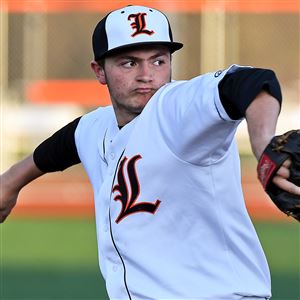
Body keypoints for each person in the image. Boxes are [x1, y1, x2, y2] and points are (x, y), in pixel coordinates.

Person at [1, 5, 299, 300]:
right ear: (99, 71)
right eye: (129, 63)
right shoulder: (98, 126)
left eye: (158, 61)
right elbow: (64, 144)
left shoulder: (175, 108)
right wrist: (10, 183)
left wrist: (263, 147)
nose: (147, 75)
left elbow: (254, 83)